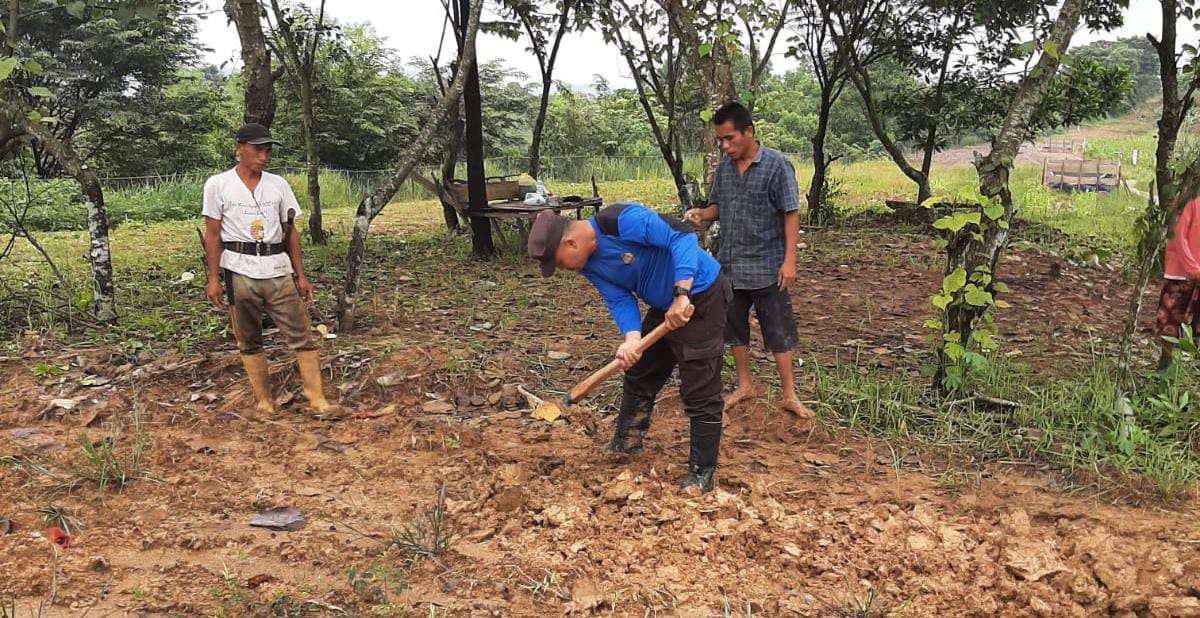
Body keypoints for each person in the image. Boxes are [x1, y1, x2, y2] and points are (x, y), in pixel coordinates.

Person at [527, 203, 731, 493]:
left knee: (700, 385)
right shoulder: (588, 264)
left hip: (701, 295)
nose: (565, 269)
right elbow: (618, 298)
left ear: (570, 243)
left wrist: (682, 293)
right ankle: (626, 444)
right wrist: (632, 338)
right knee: (640, 370)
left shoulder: (621, 221)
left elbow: (682, 236)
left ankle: (702, 472)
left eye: (560, 262)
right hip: (665, 305)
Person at [202, 122, 341, 419]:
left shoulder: (278, 185)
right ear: (239, 148)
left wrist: (300, 275)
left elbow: (290, 231)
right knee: (249, 338)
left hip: (277, 269)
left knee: (302, 334)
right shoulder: (218, 185)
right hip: (239, 270)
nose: (263, 157)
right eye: (257, 150)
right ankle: (264, 403)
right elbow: (212, 235)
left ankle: (317, 400)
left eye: (267, 151)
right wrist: (213, 279)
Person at [685, 102, 811, 417]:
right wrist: (702, 214)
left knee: (778, 329)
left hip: (768, 265)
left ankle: (789, 395)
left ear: (749, 132)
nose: (725, 146)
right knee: (734, 328)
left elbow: (790, 214)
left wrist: (790, 259)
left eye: (730, 139)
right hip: (731, 265)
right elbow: (718, 207)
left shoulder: (777, 165)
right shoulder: (724, 170)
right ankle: (745, 385)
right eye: (721, 141)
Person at [1154, 194, 1200, 372]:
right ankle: (1164, 366)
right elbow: (1179, 238)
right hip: (1180, 274)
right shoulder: (1187, 199)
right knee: (1170, 324)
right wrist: (1193, 269)